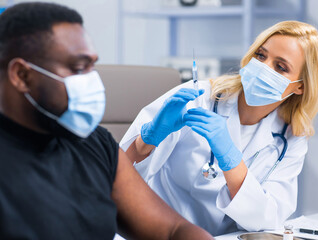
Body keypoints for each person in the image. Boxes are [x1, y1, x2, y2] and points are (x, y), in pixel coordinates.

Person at [0, 2, 213, 240]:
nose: (93, 81)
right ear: (21, 75)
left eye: (93, 65)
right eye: (79, 68)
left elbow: (172, 230)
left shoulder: (93, 143)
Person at [121, 21, 318, 235]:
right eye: (261, 55)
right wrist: (150, 137)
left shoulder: (292, 136)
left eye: (281, 67)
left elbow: (269, 219)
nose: (264, 68)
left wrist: (231, 159)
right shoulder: (198, 98)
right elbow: (117, 175)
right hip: (158, 232)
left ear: (300, 86)